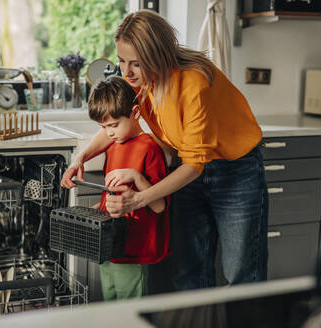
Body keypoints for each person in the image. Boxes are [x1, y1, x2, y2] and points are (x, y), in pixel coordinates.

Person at [61, 9, 268, 292]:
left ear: (158, 57)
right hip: (186, 170)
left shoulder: (193, 84)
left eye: (136, 63)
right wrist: (80, 157)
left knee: (242, 273)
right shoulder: (139, 82)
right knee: (189, 271)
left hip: (235, 170)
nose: (126, 71)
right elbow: (116, 122)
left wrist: (138, 200)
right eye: (122, 61)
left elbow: (195, 165)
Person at [86, 76, 170, 300]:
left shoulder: (149, 148)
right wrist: (97, 209)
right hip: (108, 248)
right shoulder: (114, 145)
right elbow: (113, 194)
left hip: (133, 250)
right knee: (111, 308)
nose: (109, 132)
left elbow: (160, 205)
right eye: (103, 127)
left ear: (135, 113)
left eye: (113, 125)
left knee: (130, 311)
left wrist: (137, 177)